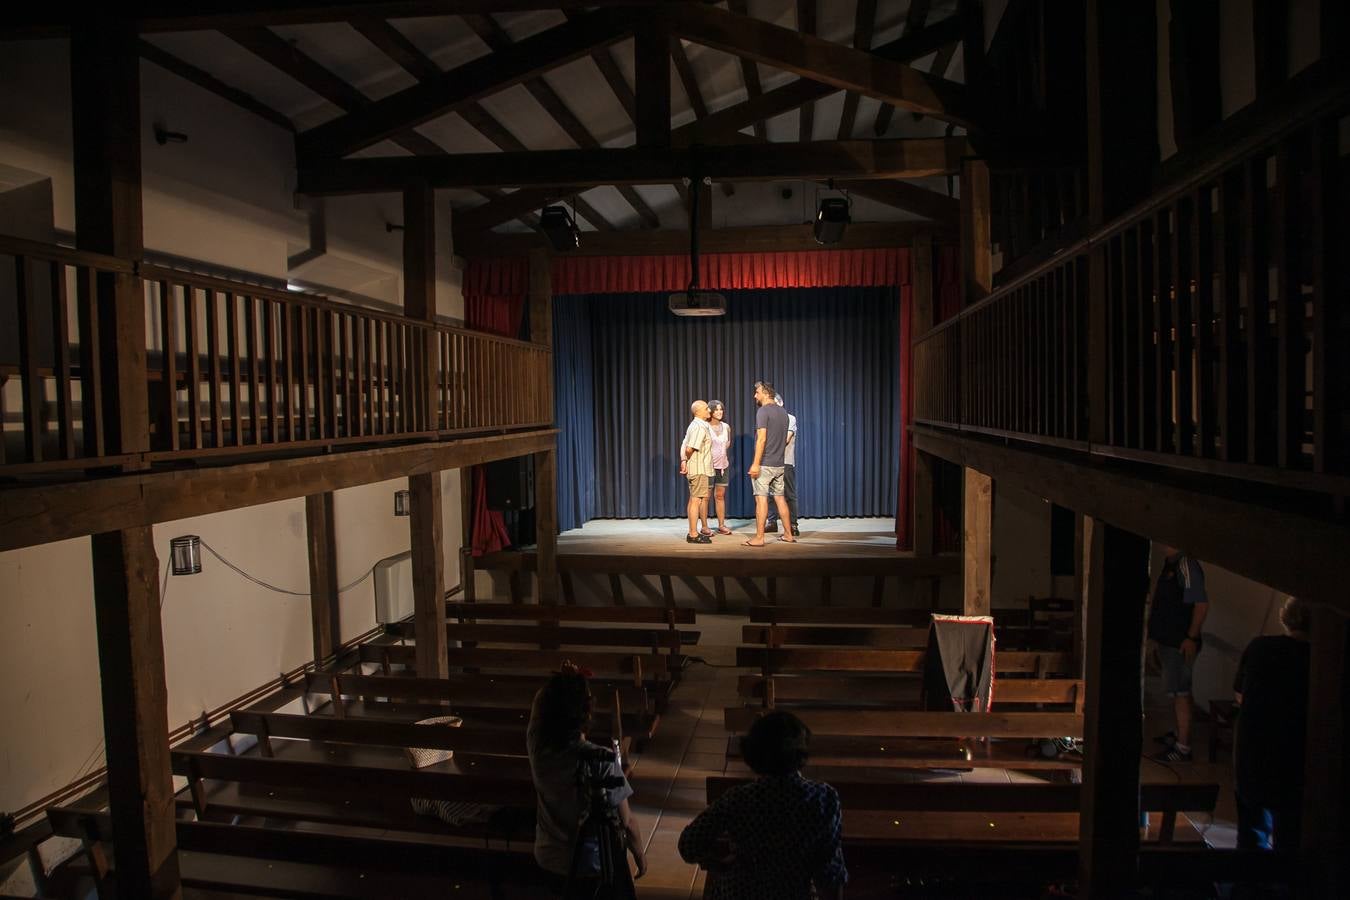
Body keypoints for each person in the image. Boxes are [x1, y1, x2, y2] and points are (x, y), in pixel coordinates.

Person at [678, 710, 846, 900]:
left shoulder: (739, 799)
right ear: (800, 752)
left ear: (753, 754)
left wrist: (718, 864)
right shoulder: (822, 799)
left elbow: (688, 844)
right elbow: (831, 874)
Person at [527, 662, 646, 895]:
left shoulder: (538, 751)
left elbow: (537, 709)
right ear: (586, 713)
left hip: (549, 859)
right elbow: (627, 821)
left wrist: (560, 685)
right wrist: (640, 854)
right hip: (592, 864)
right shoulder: (601, 760)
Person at [1232, 596, 1311, 851]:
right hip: (1295, 756)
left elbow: (1240, 694)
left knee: (1251, 836)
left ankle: (1248, 885)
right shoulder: (1320, 660)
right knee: (1290, 838)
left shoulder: (1259, 648)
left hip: (1253, 751)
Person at [1145, 543, 1209, 762]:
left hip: (1179, 642)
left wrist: (1190, 637)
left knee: (1180, 691)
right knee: (1176, 691)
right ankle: (1178, 733)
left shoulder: (1187, 564)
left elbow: (1200, 604)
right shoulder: (1169, 565)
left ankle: (1182, 747)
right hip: (1168, 639)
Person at [744, 381, 796, 547]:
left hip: (765, 464)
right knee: (780, 498)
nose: (755, 396)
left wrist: (755, 464)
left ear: (766, 393)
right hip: (779, 464)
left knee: (761, 500)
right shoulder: (783, 413)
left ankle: (759, 538)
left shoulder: (763, 411)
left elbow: (762, 439)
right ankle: (788, 534)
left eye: (757, 392)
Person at [765, 394, 799, 537]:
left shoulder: (790, 418)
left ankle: (793, 525)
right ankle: (772, 523)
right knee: (771, 494)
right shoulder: (767, 418)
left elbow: (785, 439)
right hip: (770, 461)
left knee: (789, 494)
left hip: (785, 461)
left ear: (780, 403)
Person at [681, 400, 714, 544]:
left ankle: (692, 532)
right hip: (699, 469)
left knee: (693, 499)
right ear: (698, 412)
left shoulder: (695, 425)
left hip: (697, 468)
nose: (709, 411)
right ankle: (693, 534)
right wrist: (687, 460)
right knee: (696, 500)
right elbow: (689, 448)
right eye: (706, 408)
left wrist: (684, 461)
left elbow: (684, 444)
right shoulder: (699, 427)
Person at [707, 400, 734, 535]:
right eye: (716, 410)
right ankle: (705, 527)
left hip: (723, 466)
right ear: (710, 412)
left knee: (720, 496)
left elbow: (727, 443)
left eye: (721, 409)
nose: (719, 412)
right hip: (708, 467)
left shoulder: (726, 426)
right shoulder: (705, 427)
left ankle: (721, 525)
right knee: (705, 497)